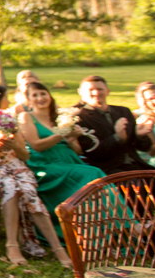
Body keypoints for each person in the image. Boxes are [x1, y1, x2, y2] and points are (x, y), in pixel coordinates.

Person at [0, 85, 69, 267]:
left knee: (29, 191)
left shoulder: (11, 120)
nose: (10, 102)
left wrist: (14, 146)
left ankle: (58, 249)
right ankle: (12, 244)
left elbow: (26, 155)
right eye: (6, 98)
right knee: (10, 185)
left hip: (16, 166)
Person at [17, 81, 104, 237]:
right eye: (34, 95)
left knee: (97, 179)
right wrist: (61, 134)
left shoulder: (60, 118)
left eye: (43, 93)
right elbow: (36, 145)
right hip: (44, 164)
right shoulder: (26, 117)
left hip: (68, 160)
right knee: (93, 174)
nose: (40, 98)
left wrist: (72, 137)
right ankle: (128, 225)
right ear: (29, 100)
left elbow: (77, 150)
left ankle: (105, 227)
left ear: (49, 96)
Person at [72, 76, 155, 175]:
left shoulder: (123, 111)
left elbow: (144, 148)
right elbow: (92, 152)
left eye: (100, 89)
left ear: (107, 91)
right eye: (91, 90)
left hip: (136, 165)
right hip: (107, 171)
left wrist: (141, 136)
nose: (96, 93)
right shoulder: (77, 117)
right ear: (80, 92)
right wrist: (117, 138)